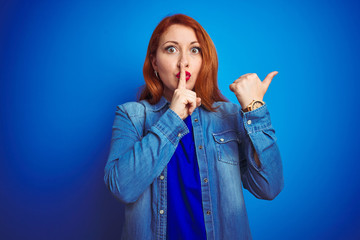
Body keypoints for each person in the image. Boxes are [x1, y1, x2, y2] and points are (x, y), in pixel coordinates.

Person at [104, 14, 284, 240]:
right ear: (154, 62)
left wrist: (254, 110)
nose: (183, 61)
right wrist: (173, 117)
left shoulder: (229, 116)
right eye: (171, 49)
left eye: (194, 50)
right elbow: (123, 188)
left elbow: (269, 187)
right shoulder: (131, 115)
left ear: (204, 61)